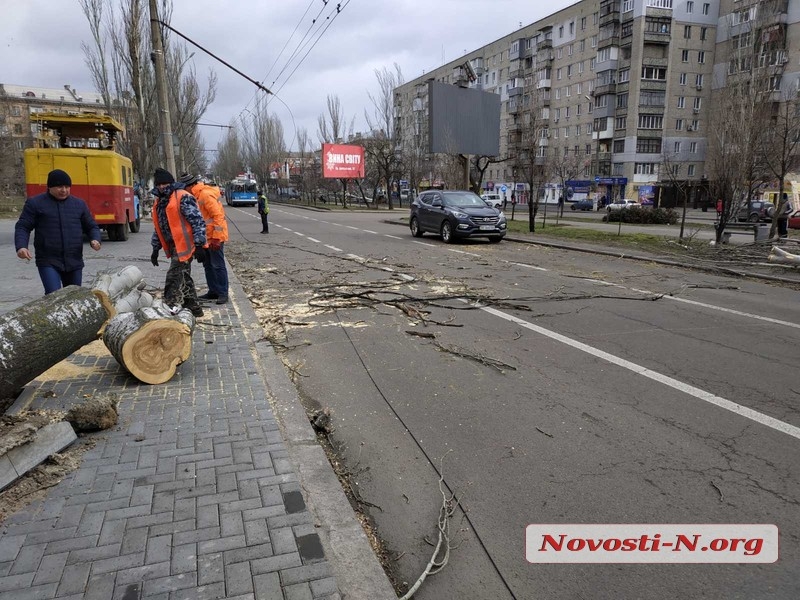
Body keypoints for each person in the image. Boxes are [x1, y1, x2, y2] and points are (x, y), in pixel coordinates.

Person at [14, 169, 102, 295]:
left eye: (67, 187)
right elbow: (23, 226)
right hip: (48, 260)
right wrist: (21, 246)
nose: (64, 190)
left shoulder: (79, 204)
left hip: (74, 260)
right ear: (50, 187)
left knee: (73, 297)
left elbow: (92, 226)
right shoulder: (35, 203)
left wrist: (95, 239)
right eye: (60, 186)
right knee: (53, 295)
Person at [149, 168, 208, 317]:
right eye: (159, 184)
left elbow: (197, 221)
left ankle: (170, 305)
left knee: (174, 276)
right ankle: (193, 306)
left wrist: (200, 244)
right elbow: (159, 227)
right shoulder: (159, 202)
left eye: (165, 183)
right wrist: (155, 248)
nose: (162, 186)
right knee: (184, 276)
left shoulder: (182, 197)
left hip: (185, 244)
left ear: (171, 182)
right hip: (174, 244)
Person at [179, 173, 230, 304]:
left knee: (217, 265)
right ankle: (213, 291)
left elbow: (218, 216)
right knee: (208, 265)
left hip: (214, 237)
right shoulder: (195, 196)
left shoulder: (205, 195)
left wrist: (216, 238)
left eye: (184, 188)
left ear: (190, 186)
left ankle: (223, 293)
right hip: (205, 237)